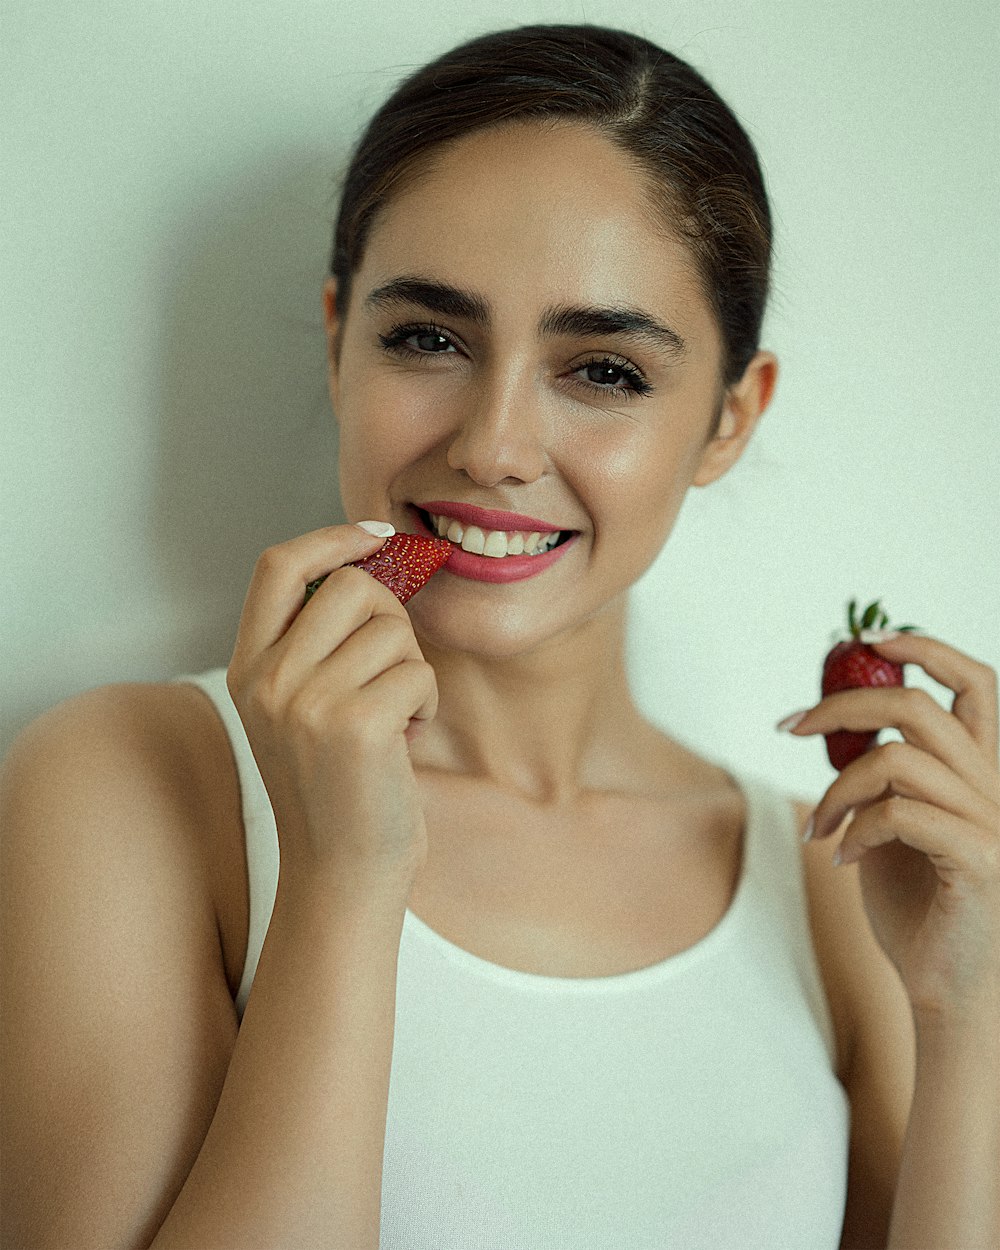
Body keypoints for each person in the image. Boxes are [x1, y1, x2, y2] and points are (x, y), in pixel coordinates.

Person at [2, 22, 997, 1250]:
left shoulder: (840, 876)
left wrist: (967, 1008)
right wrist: (344, 883)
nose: (494, 444)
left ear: (731, 418)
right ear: (335, 336)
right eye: (428, 337)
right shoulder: (133, 779)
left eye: (605, 370)